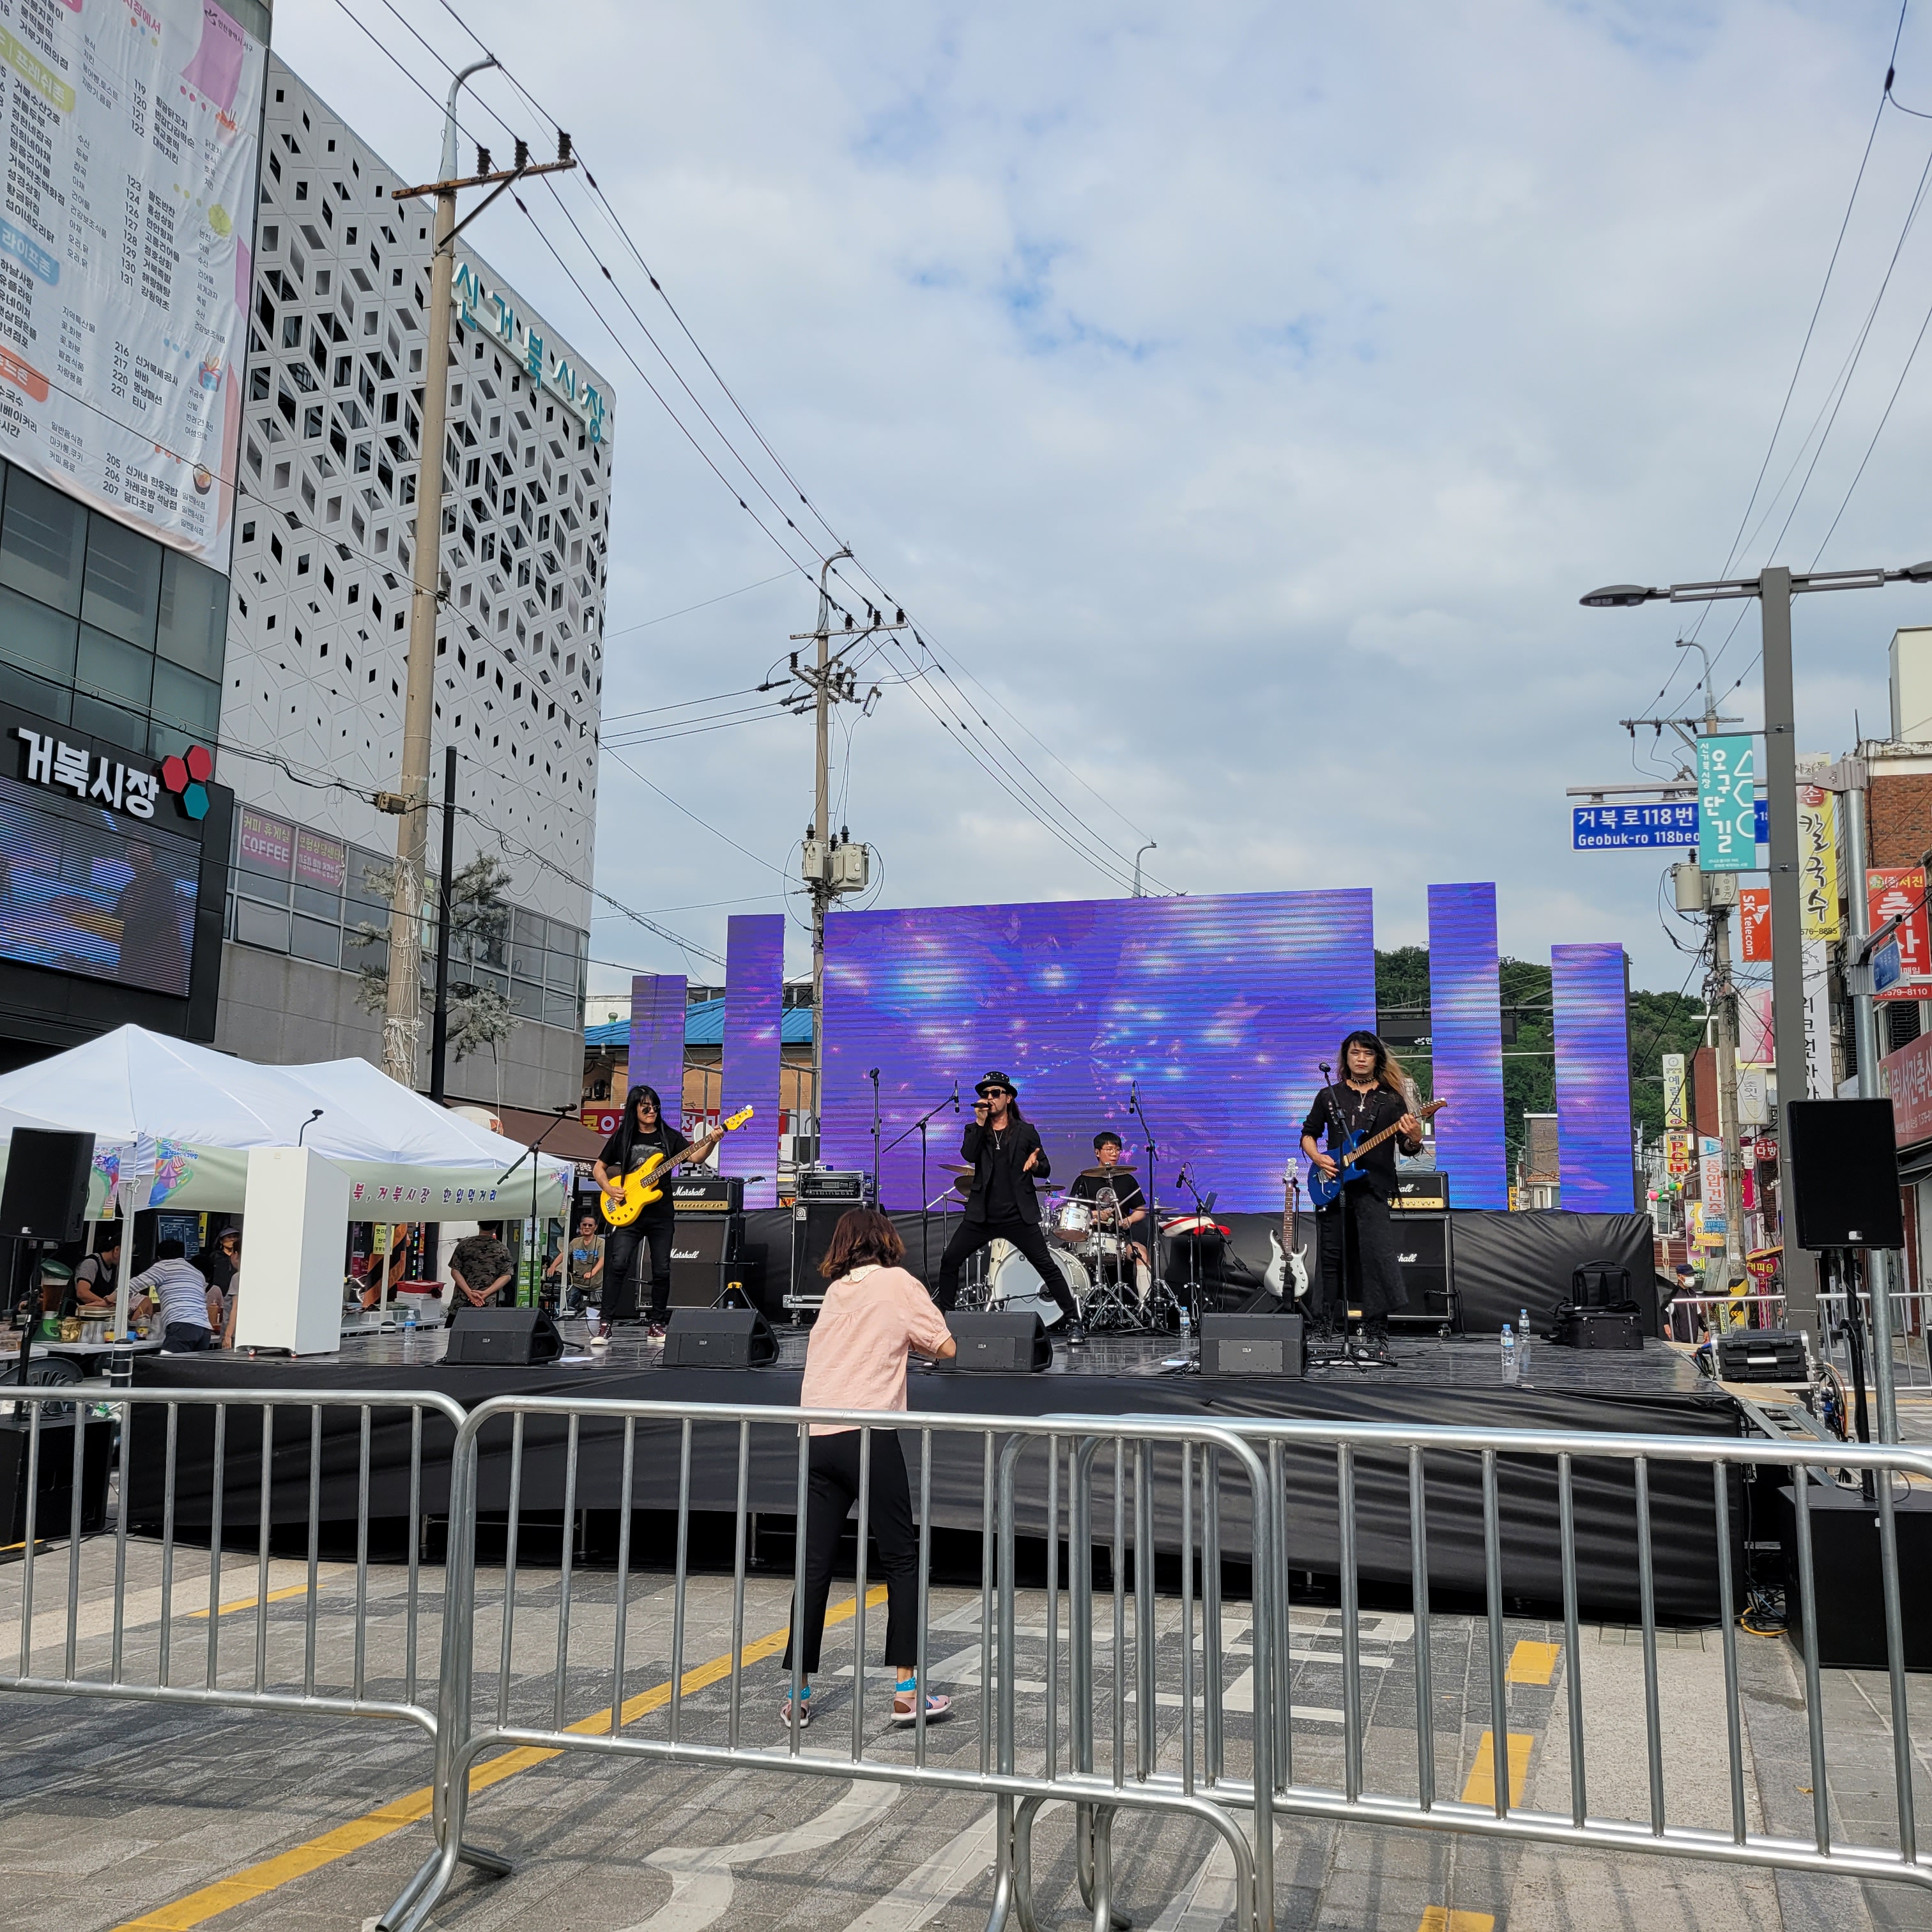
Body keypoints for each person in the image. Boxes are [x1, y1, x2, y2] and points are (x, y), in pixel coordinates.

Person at [782, 1208, 957, 1731]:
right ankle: (906, 1692)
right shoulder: (897, 1283)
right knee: (900, 1558)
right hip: (869, 1433)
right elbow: (946, 1346)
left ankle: (798, 1694)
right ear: (886, 1240)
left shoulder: (835, 1292)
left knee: (814, 1565)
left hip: (818, 1433)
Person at [1300, 1031, 1424, 1367]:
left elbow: (1407, 1148)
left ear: (1376, 1059)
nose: (1361, 1059)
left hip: (1373, 1188)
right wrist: (1318, 1158)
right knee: (1329, 1258)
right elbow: (1308, 1134)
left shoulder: (1392, 1099)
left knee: (1376, 1258)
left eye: (1367, 1053)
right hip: (1333, 1187)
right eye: (1355, 1053)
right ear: (1346, 1058)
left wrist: (1415, 1137)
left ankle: (1375, 1331)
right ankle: (1323, 1329)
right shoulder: (1329, 1095)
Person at [934, 1072, 1077, 1336]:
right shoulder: (975, 1130)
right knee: (950, 1260)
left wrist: (1035, 1165)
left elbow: (1045, 1168)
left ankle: (1074, 1321)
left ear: (1008, 1098)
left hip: (1018, 1215)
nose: (989, 1098)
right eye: (985, 1094)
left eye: (995, 1093)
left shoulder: (1026, 1132)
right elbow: (969, 1154)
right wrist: (980, 1122)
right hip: (982, 1216)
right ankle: (945, 1322)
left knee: (1047, 1266)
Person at [591, 1085, 690, 1336]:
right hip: (627, 1210)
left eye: (655, 1106)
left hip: (661, 1214)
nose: (651, 1111)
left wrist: (712, 1140)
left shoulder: (669, 1137)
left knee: (662, 1269)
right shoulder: (623, 1137)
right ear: (634, 1109)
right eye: (645, 1107)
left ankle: (657, 1324)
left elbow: (697, 1157)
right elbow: (599, 1168)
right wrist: (609, 1189)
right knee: (618, 1263)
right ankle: (605, 1323)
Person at [1068, 1132, 1150, 1292]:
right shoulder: (1084, 1180)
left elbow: (1140, 1211)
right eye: (1109, 1149)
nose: (1114, 1154)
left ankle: (1144, 1303)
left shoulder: (1127, 1180)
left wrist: (1128, 1220)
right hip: (1088, 1239)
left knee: (1141, 1252)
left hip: (1119, 1240)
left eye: (1117, 1150)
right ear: (1097, 1152)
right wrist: (1095, 1215)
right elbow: (1073, 1212)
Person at [130, 1238, 223, 1353]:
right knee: (190, 1365)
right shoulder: (197, 1273)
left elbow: (131, 1286)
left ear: (159, 1257)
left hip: (183, 1327)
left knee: (166, 1363)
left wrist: (110, 1299)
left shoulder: (163, 1266)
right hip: (204, 1330)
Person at [446, 1224, 516, 1328]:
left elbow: (455, 1271)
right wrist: (485, 1293)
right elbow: (507, 1276)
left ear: (479, 1224)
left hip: (461, 1303)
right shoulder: (502, 1249)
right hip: (486, 1304)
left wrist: (469, 1293)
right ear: (496, 1227)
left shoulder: (464, 1245)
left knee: (452, 1335)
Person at [544, 1213, 604, 1311]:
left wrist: (592, 1273)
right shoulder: (575, 1242)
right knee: (564, 1306)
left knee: (595, 1311)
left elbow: (602, 1260)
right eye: (584, 1224)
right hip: (577, 1283)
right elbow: (564, 1254)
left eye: (590, 1225)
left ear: (595, 1227)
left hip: (596, 1285)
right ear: (581, 1226)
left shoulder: (601, 1242)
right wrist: (553, 1266)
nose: (587, 1227)